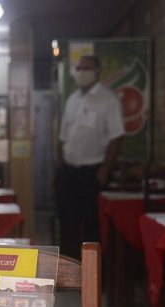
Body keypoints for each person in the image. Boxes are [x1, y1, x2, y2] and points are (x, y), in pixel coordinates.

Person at [56, 55, 125, 258]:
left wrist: (104, 171)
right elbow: (62, 137)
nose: (82, 72)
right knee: (67, 223)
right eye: (79, 68)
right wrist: (61, 164)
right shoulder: (72, 99)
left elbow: (117, 136)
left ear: (97, 72)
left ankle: (92, 278)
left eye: (87, 68)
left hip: (92, 172)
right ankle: (69, 274)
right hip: (68, 172)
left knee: (90, 226)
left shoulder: (108, 99)